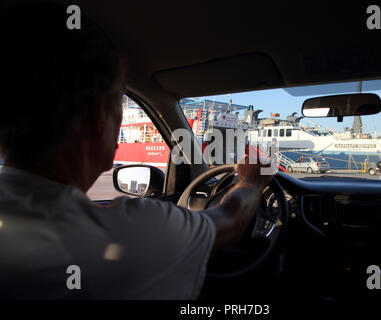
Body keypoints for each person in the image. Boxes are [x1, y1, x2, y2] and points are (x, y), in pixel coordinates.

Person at [0, 4, 273, 299]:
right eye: (119, 100)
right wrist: (253, 180)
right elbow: (231, 222)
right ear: (99, 113)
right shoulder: (134, 231)